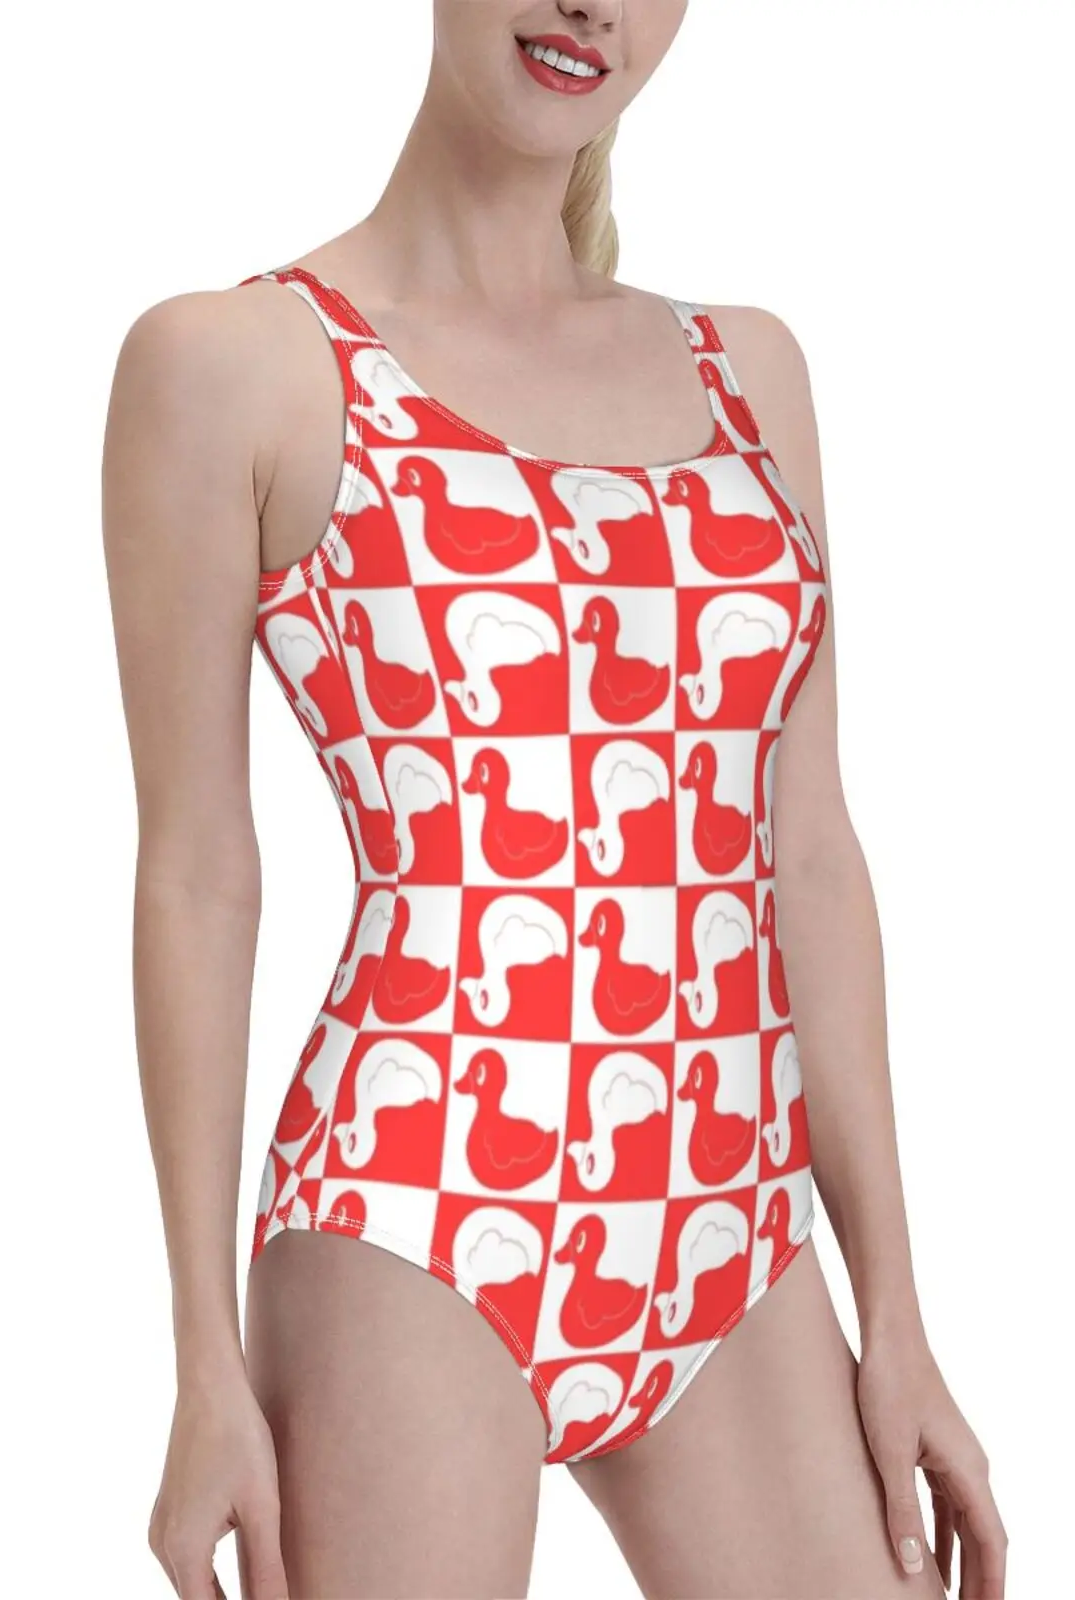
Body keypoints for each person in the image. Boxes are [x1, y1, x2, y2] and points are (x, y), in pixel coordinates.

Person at [102, 3, 1006, 1595]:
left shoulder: (753, 373)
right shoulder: (237, 366)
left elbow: (808, 855)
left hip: (733, 1233)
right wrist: (200, 1366)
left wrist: (899, 1317)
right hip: (417, 1204)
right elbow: (197, 872)